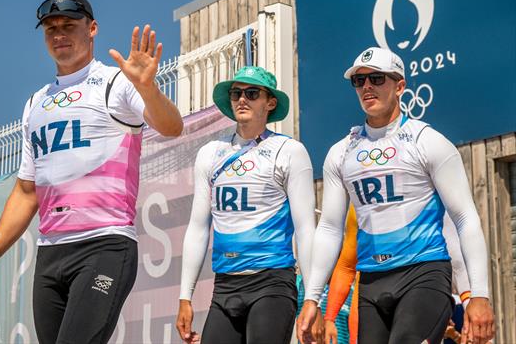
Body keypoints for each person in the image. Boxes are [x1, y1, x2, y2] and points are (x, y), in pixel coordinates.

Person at [0, 0, 183, 344]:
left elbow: (172, 126)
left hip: (104, 246)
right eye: (50, 29)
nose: (59, 35)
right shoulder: (35, 103)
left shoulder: (117, 83)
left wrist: (148, 90)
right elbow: (25, 192)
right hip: (51, 253)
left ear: (92, 28)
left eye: (69, 26)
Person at [297, 47, 495, 344]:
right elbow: (329, 228)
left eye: (376, 78)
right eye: (359, 81)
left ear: (400, 86)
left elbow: (465, 219)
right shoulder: (341, 152)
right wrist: (312, 298)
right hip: (372, 282)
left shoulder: (427, 141)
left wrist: (478, 295)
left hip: (424, 275)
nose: (366, 87)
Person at [175, 66, 319, 344]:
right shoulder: (210, 153)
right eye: (236, 93)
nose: (242, 99)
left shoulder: (288, 151)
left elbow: (305, 229)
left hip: (272, 282)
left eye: (252, 93)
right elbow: (198, 227)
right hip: (225, 285)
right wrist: (185, 296)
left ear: (270, 102)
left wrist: (312, 298)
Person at [323, 208, 472, 344]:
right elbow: (346, 265)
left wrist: (469, 303)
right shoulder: (358, 202)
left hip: (418, 288)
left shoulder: (423, 193)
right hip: (370, 302)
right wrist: (329, 318)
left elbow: (456, 255)